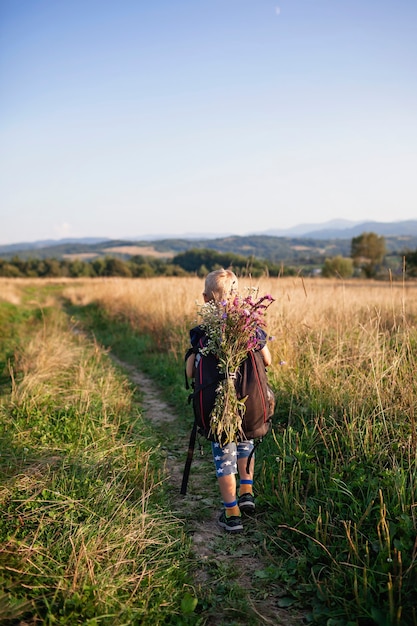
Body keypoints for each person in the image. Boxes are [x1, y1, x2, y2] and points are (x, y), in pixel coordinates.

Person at [186, 269, 272, 533]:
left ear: (205, 298)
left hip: (217, 408)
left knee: (224, 455)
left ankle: (231, 513)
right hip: (248, 404)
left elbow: (190, 371)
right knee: (246, 442)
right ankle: (247, 491)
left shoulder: (203, 332)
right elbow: (267, 360)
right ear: (239, 297)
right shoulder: (251, 329)